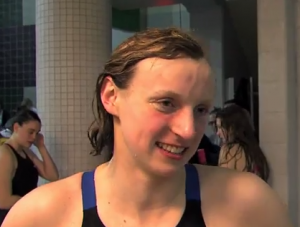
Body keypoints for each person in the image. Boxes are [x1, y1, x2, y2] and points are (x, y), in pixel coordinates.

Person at [2, 28, 291, 227]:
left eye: (201, 109)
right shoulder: (42, 216)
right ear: (111, 96)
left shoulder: (249, 206)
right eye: (166, 103)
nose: (189, 130)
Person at [0, 109, 59, 224]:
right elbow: (3, 200)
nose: (33, 138)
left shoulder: (27, 152)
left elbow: (52, 176)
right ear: (16, 127)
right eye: (30, 132)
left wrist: (41, 147)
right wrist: (35, 202)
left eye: (37, 133)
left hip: (24, 215)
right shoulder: (5, 155)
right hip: (9, 219)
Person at [216, 104, 270, 182]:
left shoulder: (229, 150)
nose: (218, 133)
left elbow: (223, 182)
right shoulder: (255, 151)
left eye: (220, 127)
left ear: (232, 128)